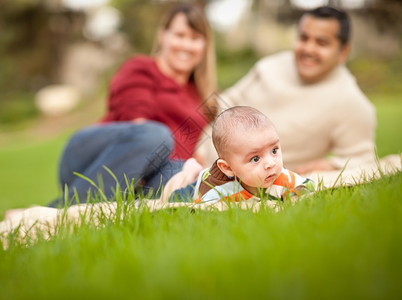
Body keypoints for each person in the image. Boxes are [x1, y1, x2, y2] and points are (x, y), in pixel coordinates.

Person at [47, 3, 217, 208]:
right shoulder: (141, 69)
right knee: (155, 135)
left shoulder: (204, 96)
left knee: (195, 178)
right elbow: (138, 125)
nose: (186, 45)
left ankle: (115, 205)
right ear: (163, 36)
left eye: (194, 38)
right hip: (95, 160)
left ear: (205, 45)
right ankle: (54, 211)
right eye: (180, 35)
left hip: (152, 173)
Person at [197, 6, 376, 175]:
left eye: (321, 43)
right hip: (196, 152)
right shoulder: (269, 66)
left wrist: (331, 165)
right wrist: (195, 148)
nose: (308, 49)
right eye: (304, 38)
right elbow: (224, 102)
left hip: (241, 181)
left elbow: (364, 159)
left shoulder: (350, 102)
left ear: (343, 52)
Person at [193, 106, 313, 203]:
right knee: (180, 190)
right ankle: (190, 171)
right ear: (228, 168)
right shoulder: (215, 191)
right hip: (197, 185)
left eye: (274, 151)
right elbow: (200, 211)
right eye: (255, 159)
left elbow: (307, 185)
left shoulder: (279, 176)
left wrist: (295, 197)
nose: (270, 164)